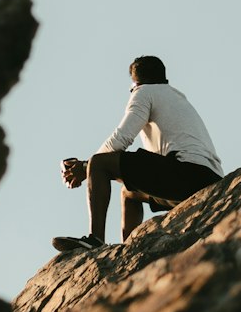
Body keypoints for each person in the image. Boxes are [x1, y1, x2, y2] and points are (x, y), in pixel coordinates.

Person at [52, 55, 223, 253]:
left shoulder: (145, 92)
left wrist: (87, 166)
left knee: (100, 163)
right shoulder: (176, 97)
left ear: (136, 83)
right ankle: (128, 251)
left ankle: (95, 239)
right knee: (129, 192)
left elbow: (121, 139)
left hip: (186, 173)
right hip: (208, 178)